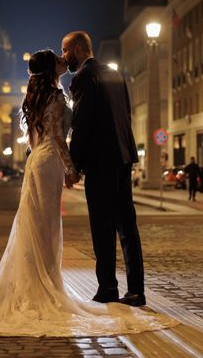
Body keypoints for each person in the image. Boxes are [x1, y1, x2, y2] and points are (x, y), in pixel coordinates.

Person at [0, 48, 176, 337]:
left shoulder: (34, 96)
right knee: (46, 225)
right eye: (59, 59)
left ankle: (38, 283)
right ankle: (45, 285)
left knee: (35, 224)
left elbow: (37, 137)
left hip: (37, 161)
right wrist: (71, 167)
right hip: (49, 162)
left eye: (65, 56)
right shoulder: (57, 95)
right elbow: (60, 137)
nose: (65, 60)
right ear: (52, 68)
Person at [64, 31, 146, 307]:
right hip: (123, 158)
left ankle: (108, 287)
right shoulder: (115, 74)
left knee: (102, 227)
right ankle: (136, 290)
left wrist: (73, 165)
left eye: (65, 50)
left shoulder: (83, 77)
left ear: (77, 49)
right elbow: (127, 115)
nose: (64, 57)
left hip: (100, 162)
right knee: (127, 226)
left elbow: (81, 124)